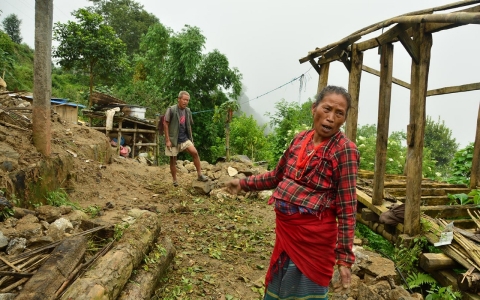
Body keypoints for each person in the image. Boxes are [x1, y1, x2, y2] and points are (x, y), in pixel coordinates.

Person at [226, 85, 359, 299]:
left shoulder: (344, 150)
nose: (331, 118)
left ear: (344, 119)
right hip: (287, 237)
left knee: (306, 294)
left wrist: (344, 259)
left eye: (339, 113)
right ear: (314, 108)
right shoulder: (300, 140)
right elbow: (276, 176)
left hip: (313, 243)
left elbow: (347, 207)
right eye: (326, 109)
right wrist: (244, 184)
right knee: (279, 290)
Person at [164, 91, 209, 186]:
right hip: (173, 139)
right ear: (179, 99)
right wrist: (167, 140)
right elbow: (165, 123)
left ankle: (200, 175)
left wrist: (191, 139)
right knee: (173, 160)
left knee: (195, 153)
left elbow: (189, 126)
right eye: (184, 99)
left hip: (184, 138)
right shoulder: (171, 109)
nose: (186, 102)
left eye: (187, 100)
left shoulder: (188, 111)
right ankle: (175, 180)